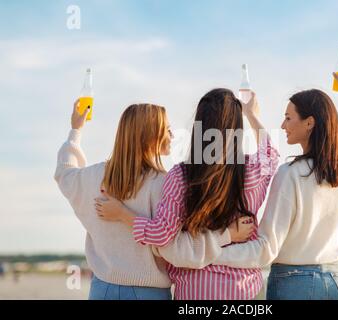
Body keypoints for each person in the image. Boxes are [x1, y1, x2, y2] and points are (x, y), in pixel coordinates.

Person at [95, 88, 280, 300]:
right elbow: (271, 153)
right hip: (242, 290)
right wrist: (251, 114)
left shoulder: (181, 176)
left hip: (193, 291)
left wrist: (122, 214)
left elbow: (161, 235)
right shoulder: (252, 171)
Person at [55, 101, 251, 300]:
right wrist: (226, 235)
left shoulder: (93, 177)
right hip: (148, 293)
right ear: (150, 137)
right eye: (166, 129)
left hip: (101, 290)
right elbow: (178, 249)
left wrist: (76, 130)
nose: (172, 135)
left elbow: (64, 173)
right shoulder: (166, 184)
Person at [210, 69, 338, 300]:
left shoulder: (290, 175)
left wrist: (209, 252)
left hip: (295, 284)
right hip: (337, 282)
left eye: (288, 117)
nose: (283, 125)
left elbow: (265, 250)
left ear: (309, 123)